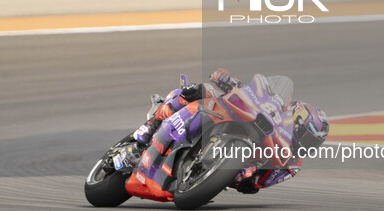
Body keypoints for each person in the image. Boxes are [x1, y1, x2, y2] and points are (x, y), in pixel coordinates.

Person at [133, 69, 329, 194]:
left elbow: (264, 182)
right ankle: (154, 121)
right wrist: (230, 82)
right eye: (306, 137)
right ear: (296, 120)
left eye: (313, 144)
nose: (306, 145)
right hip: (234, 114)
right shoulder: (277, 110)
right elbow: (252, 93)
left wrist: (251, 178)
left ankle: (195, 172)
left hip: (237, 170)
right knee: (206, 90)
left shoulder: (292, 164)